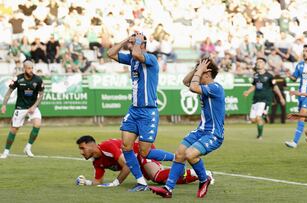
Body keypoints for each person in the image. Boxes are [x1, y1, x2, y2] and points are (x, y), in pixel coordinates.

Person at [107, 32, 174, 192]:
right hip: (134, 111)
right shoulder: (132, 59)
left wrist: (137, 40)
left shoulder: (150, 58)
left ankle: (177, 157)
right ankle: (141, 182)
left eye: (134, 42)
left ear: (142, 44)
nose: (131, 45)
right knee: (126, 146)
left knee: (145, 152)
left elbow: (137, 52)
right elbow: (110, 53)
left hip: (148, 112)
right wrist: (125, 39)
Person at [149, 58, 224, 198]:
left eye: (201, 73)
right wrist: (197, 69)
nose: (198, 74)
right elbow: (185, 81)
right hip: (201, 131)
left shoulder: (216, 87)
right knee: (179, 154)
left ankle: (204, 179)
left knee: (190, 154)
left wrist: (200, 70)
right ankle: (168, 189)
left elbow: (192, 87)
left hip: (214, 134)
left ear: (207, 74)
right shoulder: (206, 86)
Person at [75, 135, 211, 186]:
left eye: (83, 148)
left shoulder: (107, 146)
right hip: (137, 161)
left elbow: (127, 165)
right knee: (161, 180)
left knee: (156, 176)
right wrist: (85, 182)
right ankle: (199, 175)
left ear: (92, 145)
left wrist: (116, 182)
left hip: (142, 151)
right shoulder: (96, 162)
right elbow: (98, 181)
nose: (81, 152)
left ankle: (179, 159)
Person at [0, 60, 44, 159]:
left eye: (32, 68)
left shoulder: (38, 80)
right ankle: (6, 152)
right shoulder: (18, 79)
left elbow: (41, 95)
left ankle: (28, 147)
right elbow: (9, 92)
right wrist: (4, 105)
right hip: (20, 108)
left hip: (33, 107)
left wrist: (34, 106)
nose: (31, 70)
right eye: (29, 68)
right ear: (24, 69)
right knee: (14, 130)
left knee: (37, 124)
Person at [243, 57, 285, 139]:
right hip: (256, 99)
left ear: (264, 64)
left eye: (261, 62)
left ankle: (260, 135)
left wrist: (281, 97)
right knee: (252, 119)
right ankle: (264, 117)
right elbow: (254, 86)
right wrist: (248, 92)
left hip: (265, 99)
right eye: (257, 62)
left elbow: (275, 87)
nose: (259, 63)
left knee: (258, 117)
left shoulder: (269, 76)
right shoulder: (255, 75)